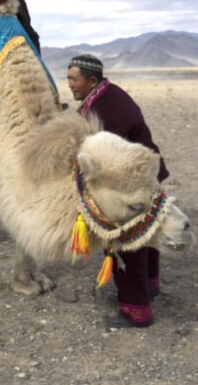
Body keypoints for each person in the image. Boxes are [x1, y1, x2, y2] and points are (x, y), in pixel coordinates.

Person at [67, 53, 169, 328]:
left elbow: (100, 151)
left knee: (129, 242)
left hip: (131, 183)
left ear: (91, 80)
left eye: (74, 79)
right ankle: (149, 288)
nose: (70, 85)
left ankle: (136, 310)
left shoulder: (106, 108)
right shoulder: (105, 97)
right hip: (144, 175)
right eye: (67, 79)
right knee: (147, 237)